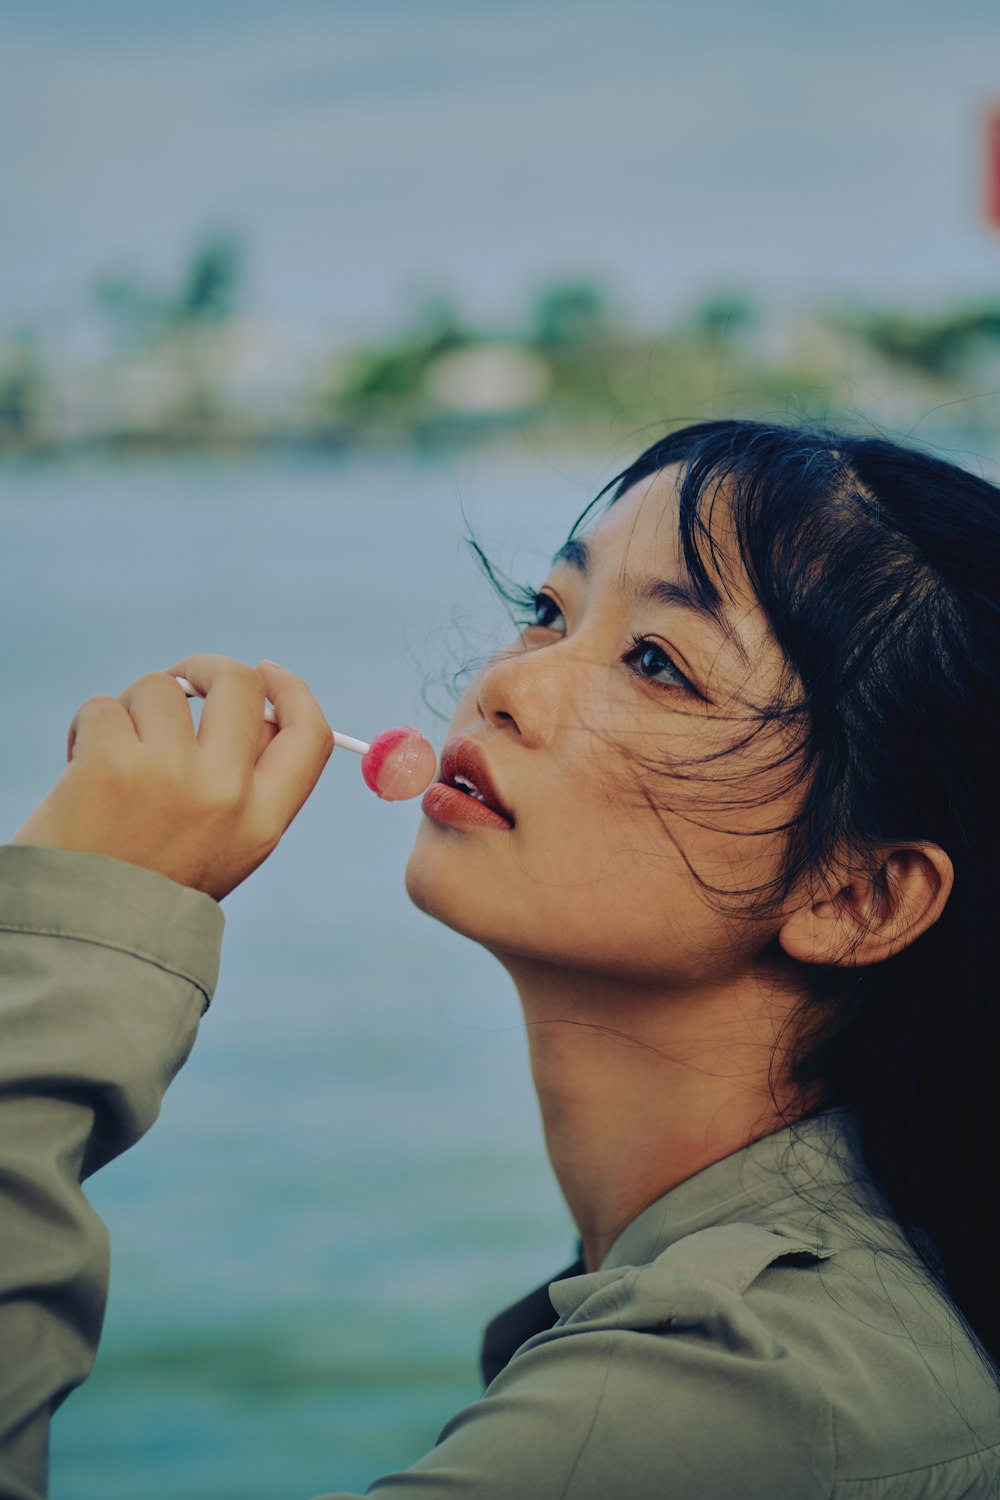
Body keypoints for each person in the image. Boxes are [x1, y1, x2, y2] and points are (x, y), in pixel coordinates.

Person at [1, 418, 998, 1499]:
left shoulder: (731, 1392)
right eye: (547, 612)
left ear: (857, 896)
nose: (506, 687)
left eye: (658, 663)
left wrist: (86, 919)